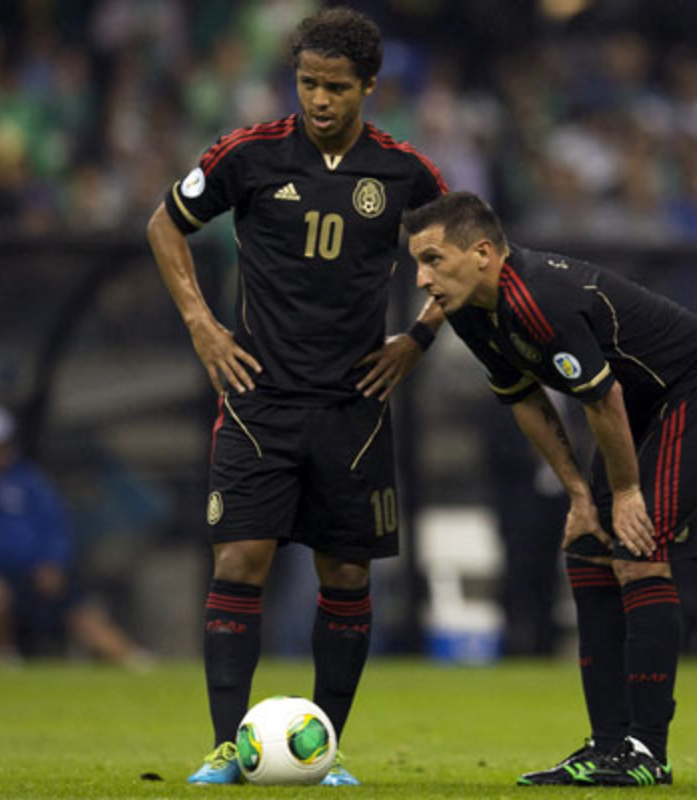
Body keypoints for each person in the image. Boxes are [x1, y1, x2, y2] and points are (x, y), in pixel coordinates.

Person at [144, 7, 446, 786]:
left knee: (345, 576)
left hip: (354, 408)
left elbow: (470, 250)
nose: (319, 99)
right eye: (308, 83)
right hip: (260, 398)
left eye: (336, 87)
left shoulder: (405, 172)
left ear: (369, 87)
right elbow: (165, 225)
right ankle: (222, 747)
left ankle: (328, 750)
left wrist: (418, 337)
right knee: (240, 560)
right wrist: (203, 326)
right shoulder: (248, 155)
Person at [404, 191, 697, 787]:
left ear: (481, 253)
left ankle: (646, 751)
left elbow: (602, 398)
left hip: (691, 391)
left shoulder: (538, 298)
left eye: (432, 259)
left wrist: (627, 492)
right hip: (631, 408)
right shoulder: (469, 310)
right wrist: (580, 494)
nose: (422, 279)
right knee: (586, 550)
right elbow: (524, 399)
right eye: (416, 265)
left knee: (636, 551)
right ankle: (607, 744)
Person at [0, 404, 147, 670]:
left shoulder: (29, 481)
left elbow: (55, 525)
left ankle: (138, 664)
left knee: (88, 620)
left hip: (39, 575)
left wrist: (53, 562)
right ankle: (5, 657)